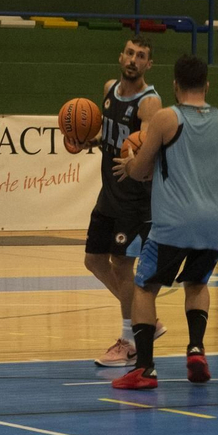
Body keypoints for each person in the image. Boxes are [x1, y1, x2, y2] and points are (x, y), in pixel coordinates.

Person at [108, 54, 218, 391]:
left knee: (144, 288)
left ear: (175, 85)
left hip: (176, 220)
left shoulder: (167, 118)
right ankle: (196, 349)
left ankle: (145, 368)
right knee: (197, 283)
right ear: (207, 85)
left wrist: (132, 162)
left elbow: (140, 171)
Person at [84, 36, 165, 368]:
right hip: (109, 194)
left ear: (149, 65)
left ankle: (129, 340)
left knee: (121, 264)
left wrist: (133, 159)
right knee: (93, 260)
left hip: (135, 199)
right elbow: (107, 134)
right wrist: (84, 138)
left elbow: (145, 148)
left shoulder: (150, 103)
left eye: (141, 56)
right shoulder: (108, 89)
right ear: (121, 56)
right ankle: (146, 321)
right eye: (130, 53)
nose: (134, 59)